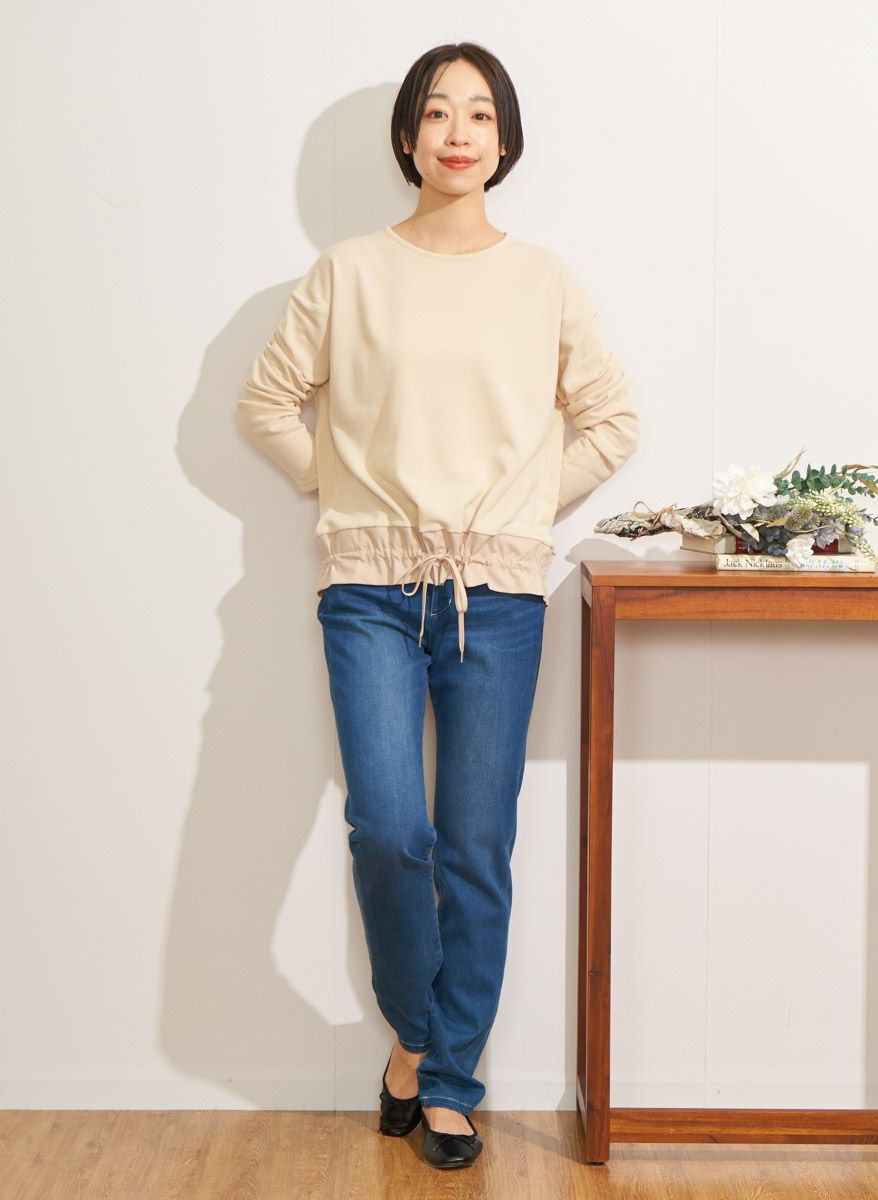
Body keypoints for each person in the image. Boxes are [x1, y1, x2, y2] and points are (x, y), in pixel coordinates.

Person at [237, 41, 639, 1171]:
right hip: (368, 590)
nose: (458, 133)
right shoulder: (349, 272)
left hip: (498, 598)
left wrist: (523, 506)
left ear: (504, 142)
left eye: (480, 114)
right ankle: (415, 1036)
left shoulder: (544, 280)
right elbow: (267, 401)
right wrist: (344, 489)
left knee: (474, 845)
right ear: (409, 136)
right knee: (389, 828)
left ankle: (450, 1079)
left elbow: (613, 420)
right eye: (437, 113)